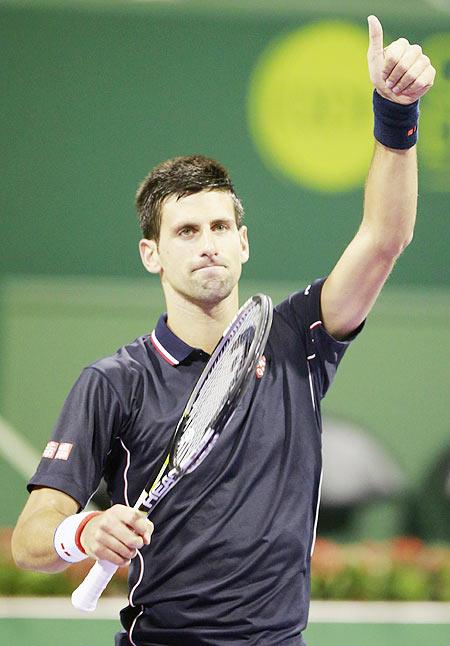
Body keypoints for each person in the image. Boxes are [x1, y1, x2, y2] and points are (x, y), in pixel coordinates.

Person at [11, 15, 435, 646]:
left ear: (242, 242)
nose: (206, 245)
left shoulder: (299, 339)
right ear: (151, 253)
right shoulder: (114, 382)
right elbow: (30, 537)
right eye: (185, 231)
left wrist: (396, 116)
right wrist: (82, 532)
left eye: (218, 228)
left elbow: (384, 239)